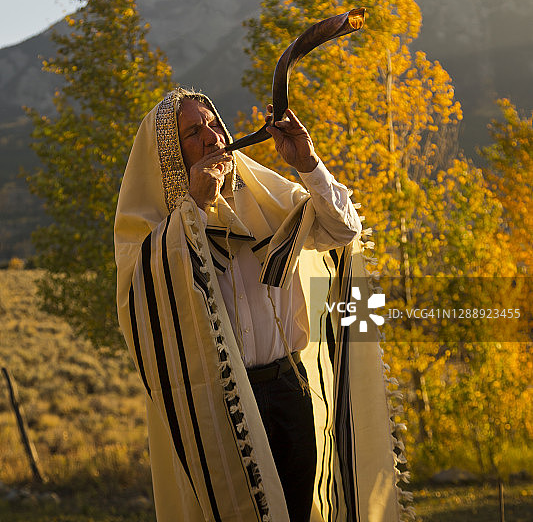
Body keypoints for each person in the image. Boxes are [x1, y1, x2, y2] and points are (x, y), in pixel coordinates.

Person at [115, 88, 404, 522]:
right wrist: (194, 207)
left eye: (214, 124)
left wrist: (307, 163)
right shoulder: (160, 229)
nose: (213, 137)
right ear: (171, 155)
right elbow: (143, 299)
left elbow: (342, 232)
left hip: (290, 387)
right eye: (194, 132)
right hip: (220, 402)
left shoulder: (264, 195)